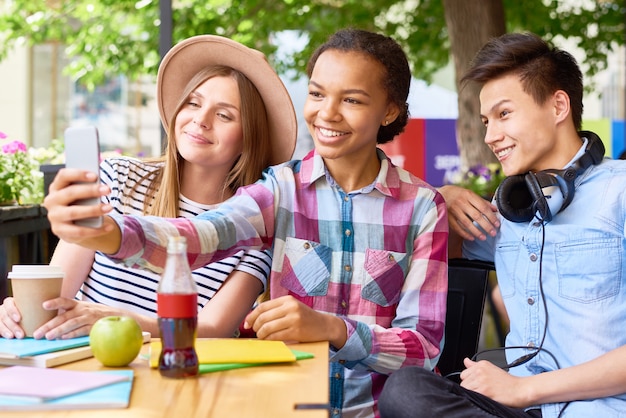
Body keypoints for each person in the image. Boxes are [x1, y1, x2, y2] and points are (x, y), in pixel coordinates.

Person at [42, 28, 448, 417]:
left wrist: (332, 329)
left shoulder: (424, 208)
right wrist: (112, 232)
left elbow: (424, 347)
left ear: (389, 109)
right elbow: (201, 235)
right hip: (280, 407)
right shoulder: (279, 189)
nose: (327, 113)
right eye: (316, 94)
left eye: (353, 101)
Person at [378, 32, 626, 417]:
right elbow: (437, 255)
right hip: (521, 407)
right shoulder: (511, 205)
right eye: (485, 120)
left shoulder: (620, 190)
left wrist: (524, 388)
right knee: (406, 390)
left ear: (558, 105)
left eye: (504, 114)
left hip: (599, 409)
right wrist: (441, 200)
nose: (491, 136)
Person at [0, 35, 297, 341]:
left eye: (224, 115)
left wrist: (120, 320)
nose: (200, 120)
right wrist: (18, 315)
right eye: (193, 103)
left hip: (175, 377)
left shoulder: (253, 227)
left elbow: (212, 331)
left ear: (250, 136)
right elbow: (54, 298)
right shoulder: (117, 178)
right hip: (84, 368)